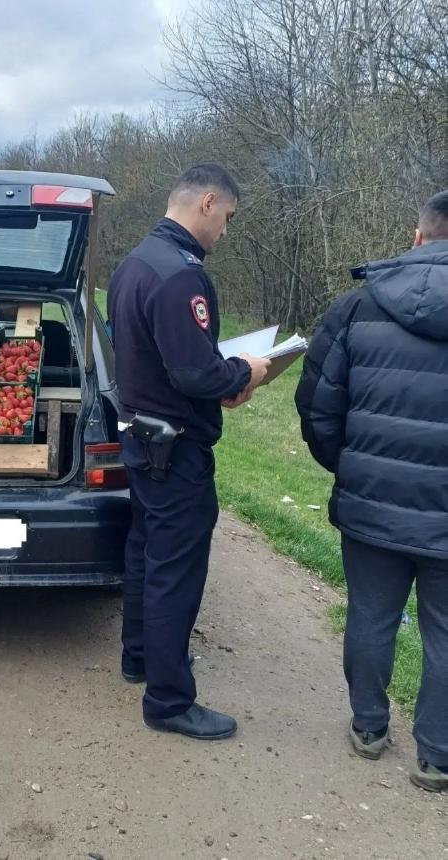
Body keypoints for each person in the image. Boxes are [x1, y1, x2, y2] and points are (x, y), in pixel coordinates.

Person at [107, 163, 270, 740]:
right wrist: (244, 371)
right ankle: (169, 700)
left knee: (144, 553)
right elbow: (194, 372)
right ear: (206, 202)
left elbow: (159, 359)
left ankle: (141, 657)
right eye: (226, 217)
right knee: (176, 570)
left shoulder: (133, 263)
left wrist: (216, 376)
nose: (224, 231)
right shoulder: (179, 275)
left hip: (141, 437)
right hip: (176, 450)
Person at [295, 190, 448, 792]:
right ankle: (436, 756)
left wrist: (350, 468)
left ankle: (369, 728)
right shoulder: (354, 306)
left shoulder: (357, 308)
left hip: (370, 501)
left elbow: (318, 407)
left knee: (371, 615)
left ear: (417, 237)